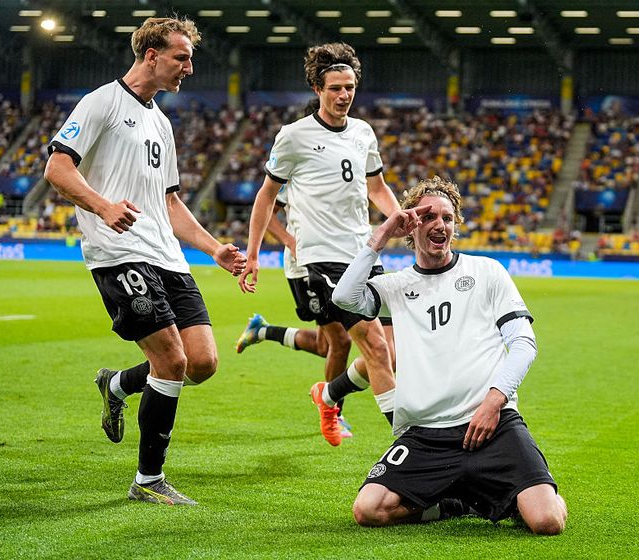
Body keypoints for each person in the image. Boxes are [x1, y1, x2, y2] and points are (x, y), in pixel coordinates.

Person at [43, 16, 246, 506]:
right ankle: (148, 480)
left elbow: (171, 203)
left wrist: (214, 247)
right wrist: (103, 206)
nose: (189, 68)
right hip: (119, 252)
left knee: (202, 363)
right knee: (171, 360)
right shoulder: (102, 103)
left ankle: (115, 384)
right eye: (182, 57)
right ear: (151, 55)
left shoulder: (160, 121)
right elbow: (57, 166)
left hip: (168, 255)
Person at [332, 176, 568, 534]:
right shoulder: (395, 286)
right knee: (369, 510)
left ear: (455, 225)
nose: (439, 225)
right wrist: (381, 236)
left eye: (447, 217)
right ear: (411, 226)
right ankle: (454, 504)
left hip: (492, 424)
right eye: (427, 217)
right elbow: (344, 298)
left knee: (547, 521)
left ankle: (527, 487)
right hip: (426, 434)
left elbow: (523, 343)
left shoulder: (487, 271)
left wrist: (494, 401)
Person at [238, 43, 400, 447]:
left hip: (364, 254)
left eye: (350, 87)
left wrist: (402, 220)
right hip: (321, 259)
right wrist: (254, 253)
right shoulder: (294, 136)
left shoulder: (363, 132)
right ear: (317, 88)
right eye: (335, 88)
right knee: (371, 348)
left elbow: (376, 187)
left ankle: (328, 395)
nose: (344, 95)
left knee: (394, 353)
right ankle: (410, 441)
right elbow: (265, 196)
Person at [236, 184, 358, 437]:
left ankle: (263, 331)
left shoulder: (341, 163)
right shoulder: (298, 167)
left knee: (327, 346)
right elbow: (268, 209)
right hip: (305, 267)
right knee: (341, 341)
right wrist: (290, 241)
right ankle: (334, 412)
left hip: (335, 260)